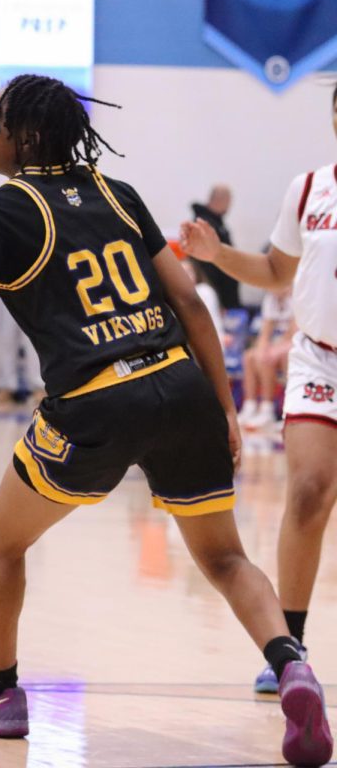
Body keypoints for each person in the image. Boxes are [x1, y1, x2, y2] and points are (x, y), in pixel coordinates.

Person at [0, 74, 332, 766]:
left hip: (95, 399)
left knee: (3, 540)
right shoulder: (117, 193)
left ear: (26, 138)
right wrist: (223, 405)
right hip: (181, 384)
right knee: (225, 558)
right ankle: (291, 665)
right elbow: (191, 302)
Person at [181, 85, 337, 696]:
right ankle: (289, 650)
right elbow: (276, 272)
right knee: (306, 491)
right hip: (319, 361)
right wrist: (218, 254)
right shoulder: (308, 189)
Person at [238, 289, 295, 430]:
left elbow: (294, 332)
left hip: (295, 342)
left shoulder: (298, 294)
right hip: (278, 343)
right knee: (250, 356)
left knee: (270, 357)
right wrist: (262, 349)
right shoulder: (270, 298)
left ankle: (269, 408)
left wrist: (271, 350)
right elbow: (265, 332)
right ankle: (250, 406)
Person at [190, 184, 242, 309]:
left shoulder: (217, 223)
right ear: (221, 200)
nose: (229, 206)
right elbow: (208, 267)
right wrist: (219, 301)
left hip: (223, 293)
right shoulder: (205, 225)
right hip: (217, 294)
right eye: (229, 201)